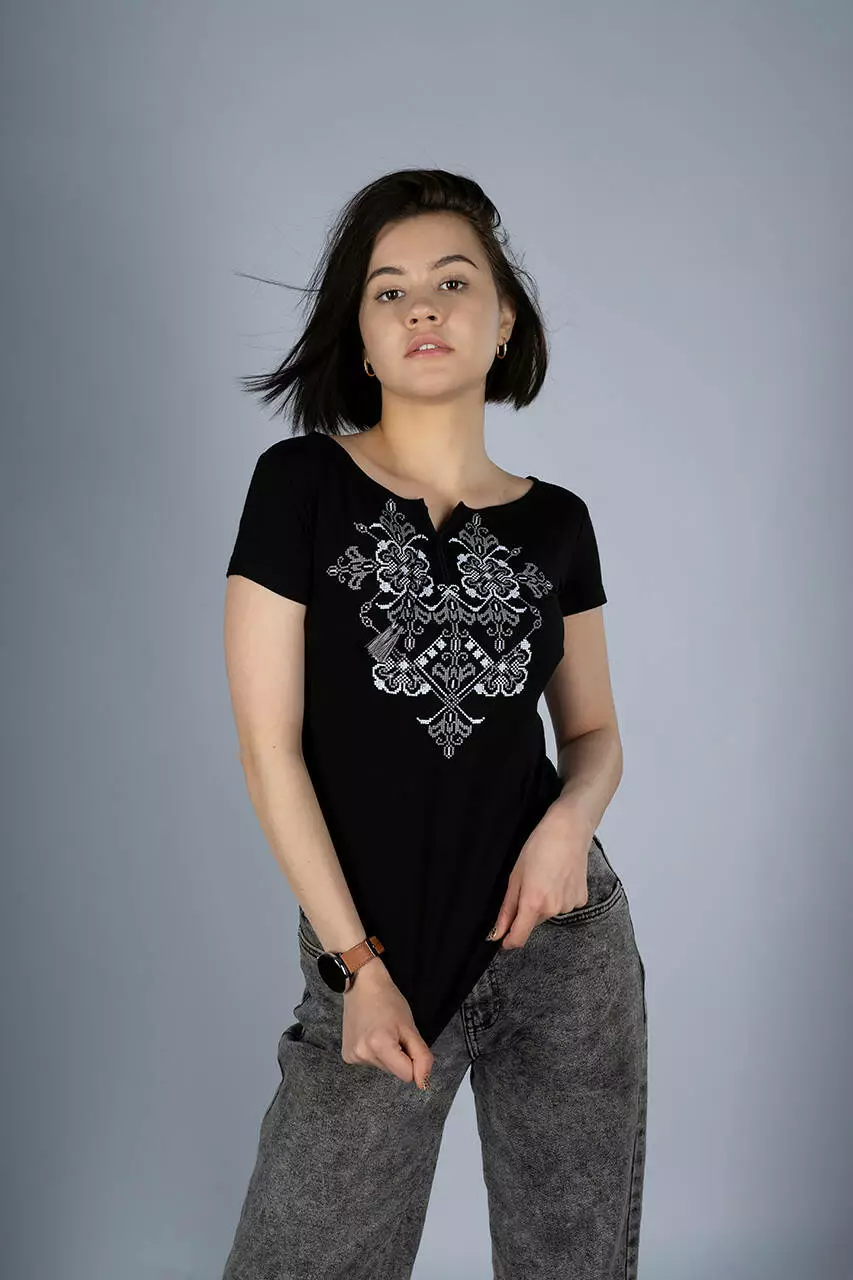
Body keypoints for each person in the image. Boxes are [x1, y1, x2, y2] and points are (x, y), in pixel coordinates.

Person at [220, 168, 648, 1279]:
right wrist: (355, 965)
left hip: (560, 940)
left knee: (571, 1264)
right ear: (362, 340)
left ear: (503, 321)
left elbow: (593, 736)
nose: (423, 307)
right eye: (389, 290)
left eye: (454, 282)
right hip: (377, 953)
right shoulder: (300, 485)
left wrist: (566, 831)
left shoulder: (559, 524)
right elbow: (269, 750)